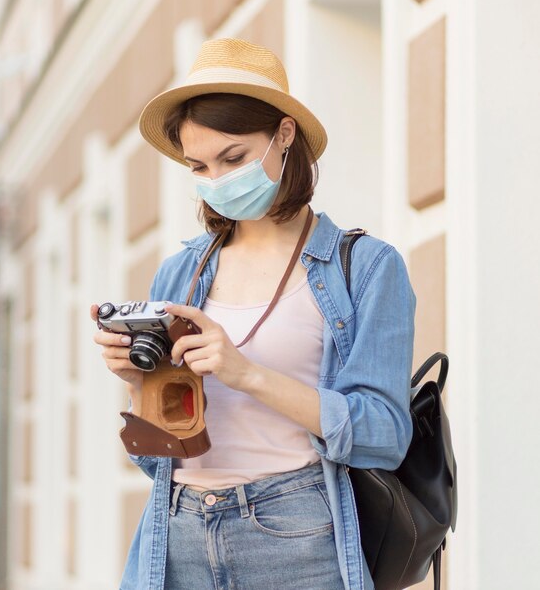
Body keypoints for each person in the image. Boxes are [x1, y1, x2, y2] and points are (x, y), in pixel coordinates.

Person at [91, 38, 415, 590]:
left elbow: (385, 434)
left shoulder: (365, 267)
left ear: (284, 135)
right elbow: (156, 463)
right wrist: (137, 386)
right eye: (199, 166)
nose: (217, 182)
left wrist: (247, 375)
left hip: (296, 535)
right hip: (179, 536)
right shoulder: (181, 273)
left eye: (234, 158)